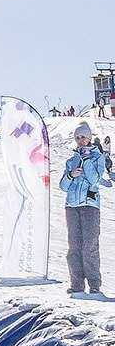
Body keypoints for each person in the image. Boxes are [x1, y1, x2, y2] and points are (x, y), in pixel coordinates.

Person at [59, 123, 108, 295]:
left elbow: (95, 180)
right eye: (78, 137)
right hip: (72, 206)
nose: (80, 140)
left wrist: (86, 160)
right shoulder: (71, 160)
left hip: (90, 206)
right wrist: (70, 175)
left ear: (89, 138)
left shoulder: (97, 157)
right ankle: (77, 284)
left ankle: (94, 285)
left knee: (90, 246)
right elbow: (63, 186)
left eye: (83, 137)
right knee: (74, 247)